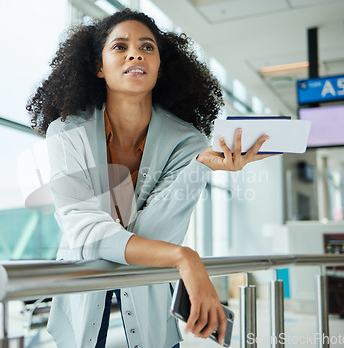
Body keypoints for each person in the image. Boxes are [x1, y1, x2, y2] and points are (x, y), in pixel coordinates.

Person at [27, 8, 273, 348]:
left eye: (147, 47)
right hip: (81, 299)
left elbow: (157, 232)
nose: (135, 53)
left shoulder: (188, 143)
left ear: (159, 67)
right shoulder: (68, 132)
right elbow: (82, 229)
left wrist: (198, 166)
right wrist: (183, 257)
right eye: (119, 47)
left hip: (150, 304)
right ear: (99, 67)